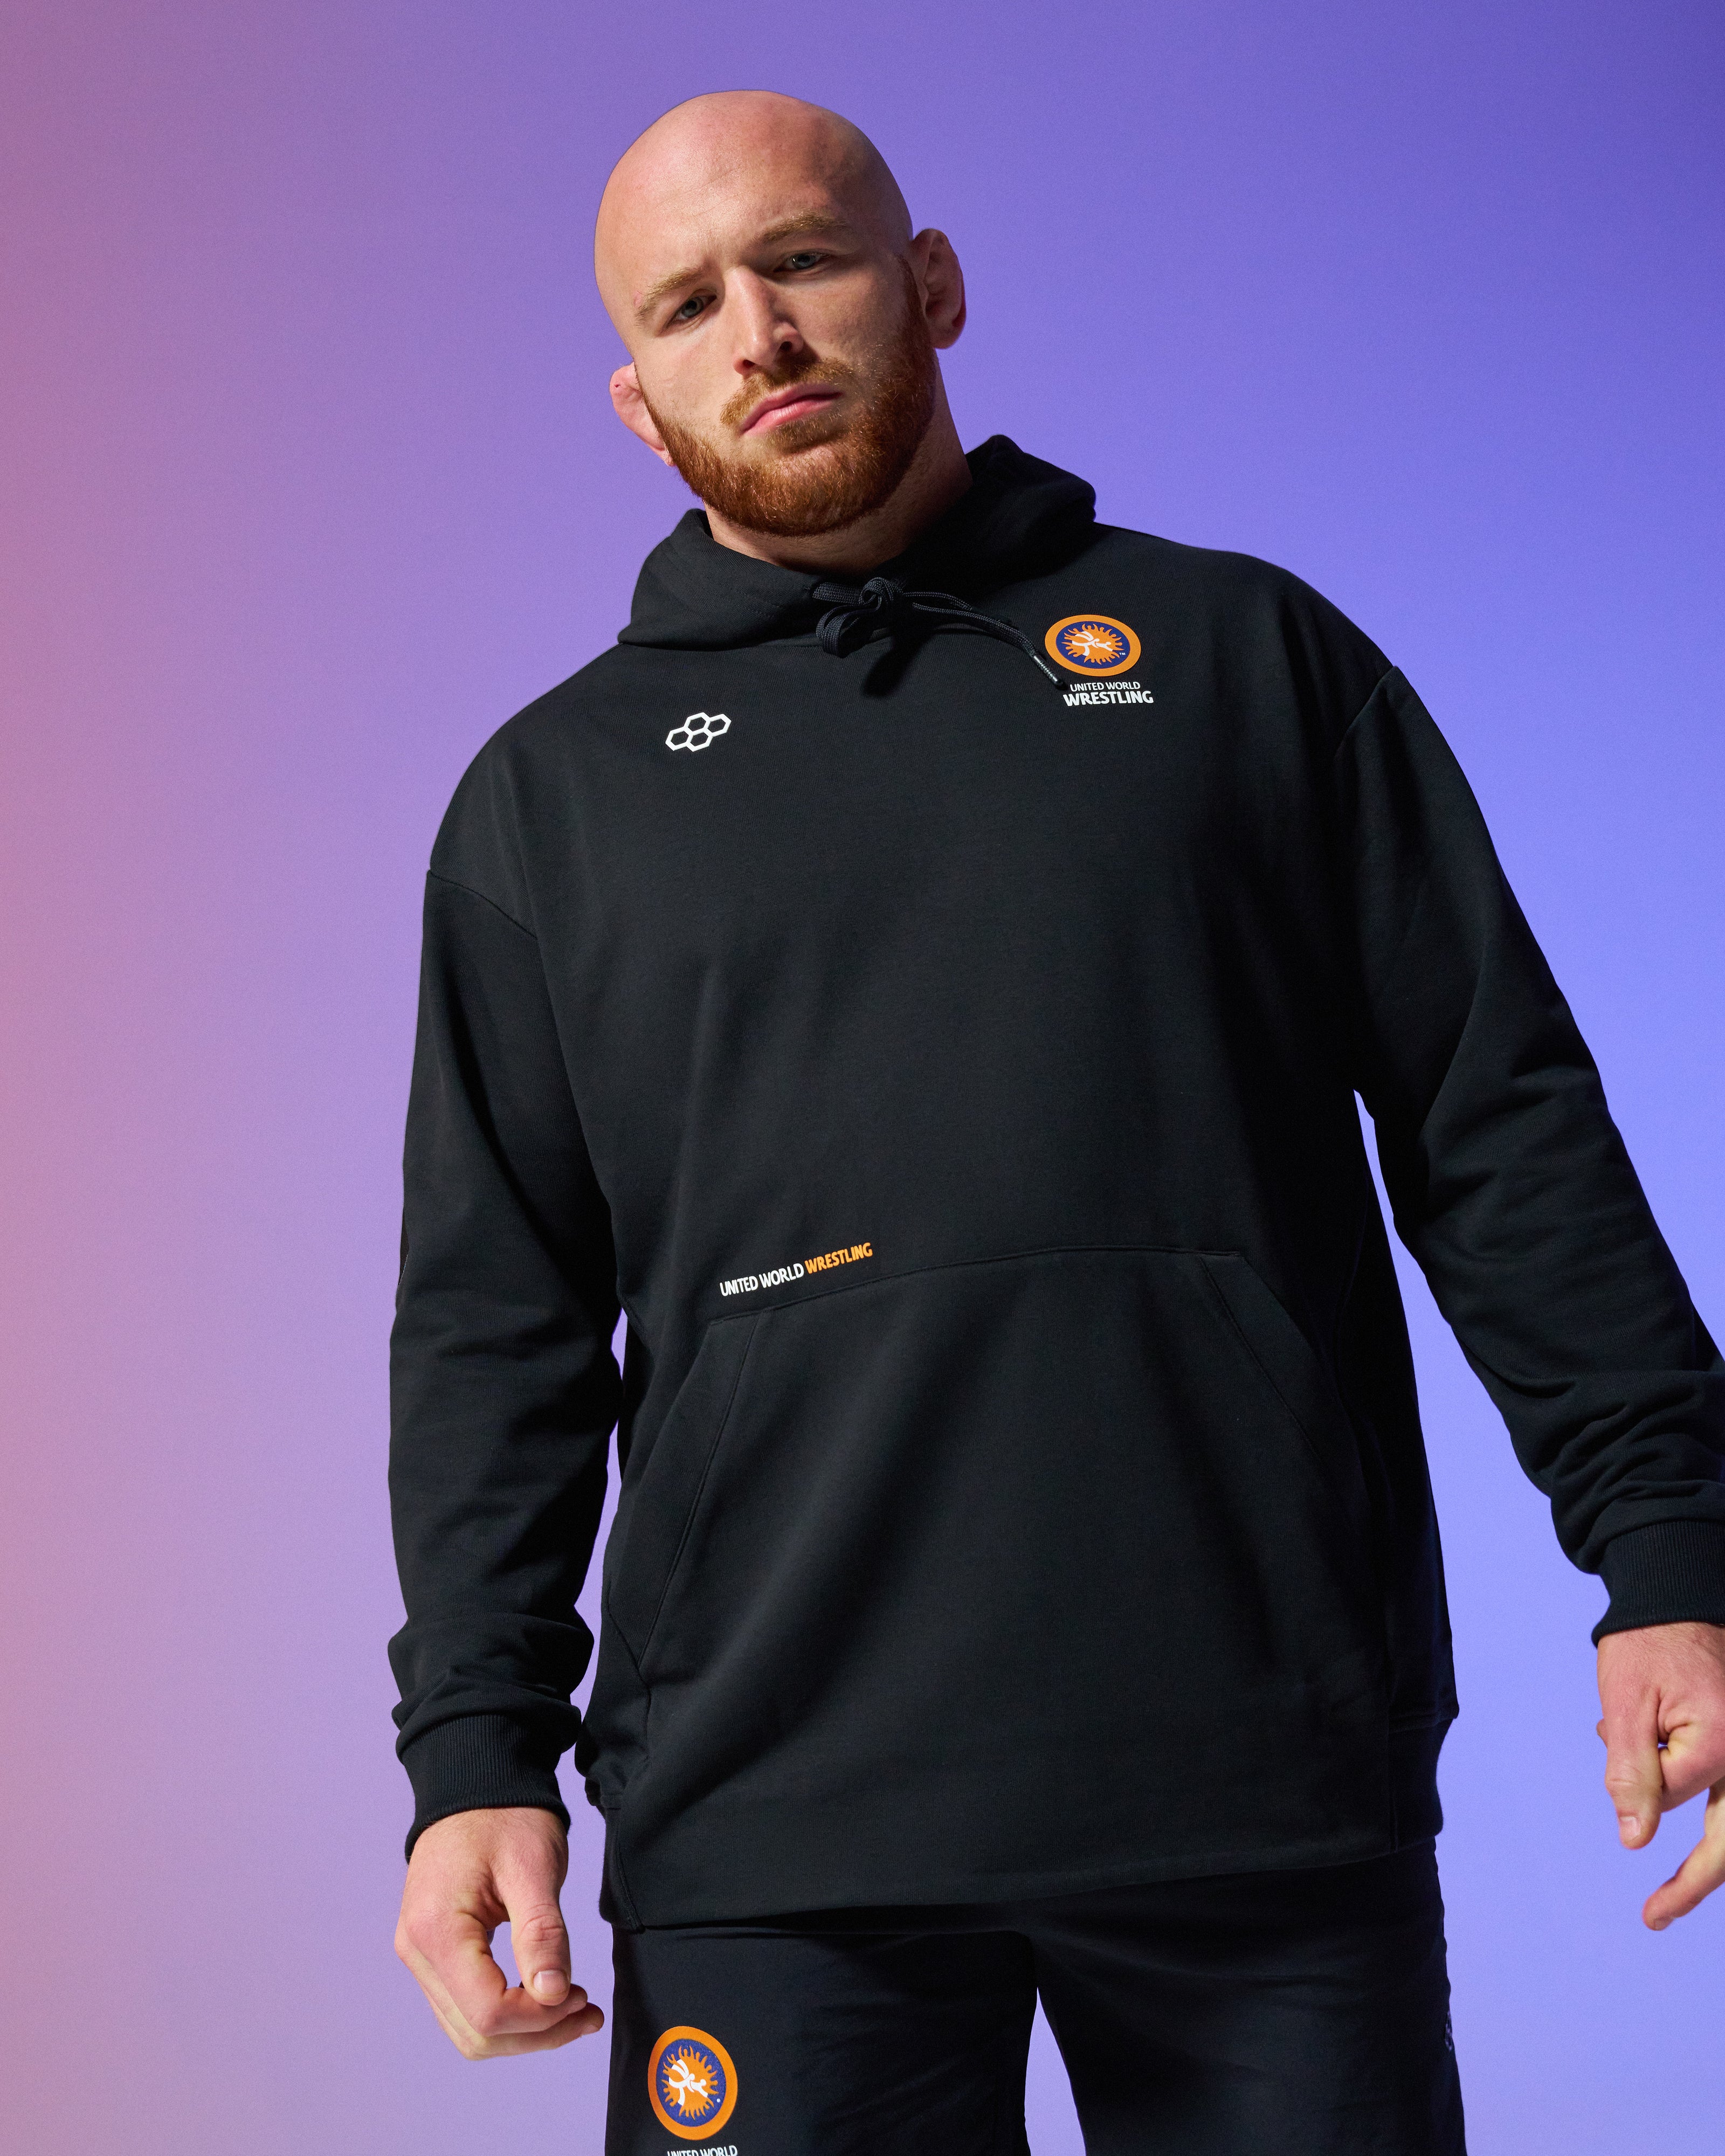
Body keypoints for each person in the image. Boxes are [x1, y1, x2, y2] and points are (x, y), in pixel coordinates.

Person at [387, 89, 1725, 2154]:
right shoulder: (548, 806)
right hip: (771, 1813)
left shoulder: (1244, 658)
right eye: (688, 305)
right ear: (639, 402)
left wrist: (1671, 1552)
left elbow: (1503, 1127)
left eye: (803, 261)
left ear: (927, 284)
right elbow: (500, 1327)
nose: (760, 333)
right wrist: (477, 1753)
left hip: (1253, 1768)